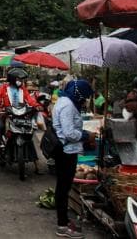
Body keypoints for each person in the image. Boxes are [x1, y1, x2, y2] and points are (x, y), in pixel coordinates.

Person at [53, 79, 96, 239]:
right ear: (78, 93)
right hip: (66, 151)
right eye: (84, 96)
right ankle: (62, 226)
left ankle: (62, 221)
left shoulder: (65, 100)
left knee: (63, 187)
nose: (84, 100)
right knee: (63, 188)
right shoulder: (68, 106)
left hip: (66, 150)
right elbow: (69, 133)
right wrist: (86, 135)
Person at [0, 68, 40, 149]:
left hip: (21, 114)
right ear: (12, 79)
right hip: (6, 114)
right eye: (18, 79)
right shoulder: (3, 88)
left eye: (21, 79)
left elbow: (30, 99)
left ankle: (31, 152)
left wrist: (36, 105)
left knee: (29, 129)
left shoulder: (23, 89)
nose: (20, 81)